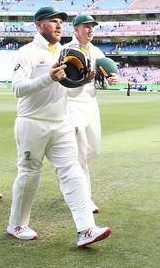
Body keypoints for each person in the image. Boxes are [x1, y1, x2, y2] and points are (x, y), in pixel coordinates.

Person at [8, 6, 111, 247]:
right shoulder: (27, 53)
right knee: (29, 174)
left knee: (72, 170)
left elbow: (67, 90)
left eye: (60, 22)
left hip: (62, 121)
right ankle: (16, 224)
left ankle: (86, 229)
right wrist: (48, 77)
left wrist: (82, 81)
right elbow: (17, 89)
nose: (58, 26)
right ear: (38, 25)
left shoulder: (67, 51)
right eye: (52, 21)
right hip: (33, 123)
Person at [64, 14, 119, 214]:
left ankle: (69, 179)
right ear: (76, 29)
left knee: (93, 151)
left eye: (92, 26)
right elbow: (63, 82)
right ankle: (84, 197)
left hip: (91, 104)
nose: (90, 29)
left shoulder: (96, 52)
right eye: (86, 26)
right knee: (80, 153)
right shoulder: (67, 50)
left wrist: (111, 79)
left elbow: (102, 80)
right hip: (72, 104)